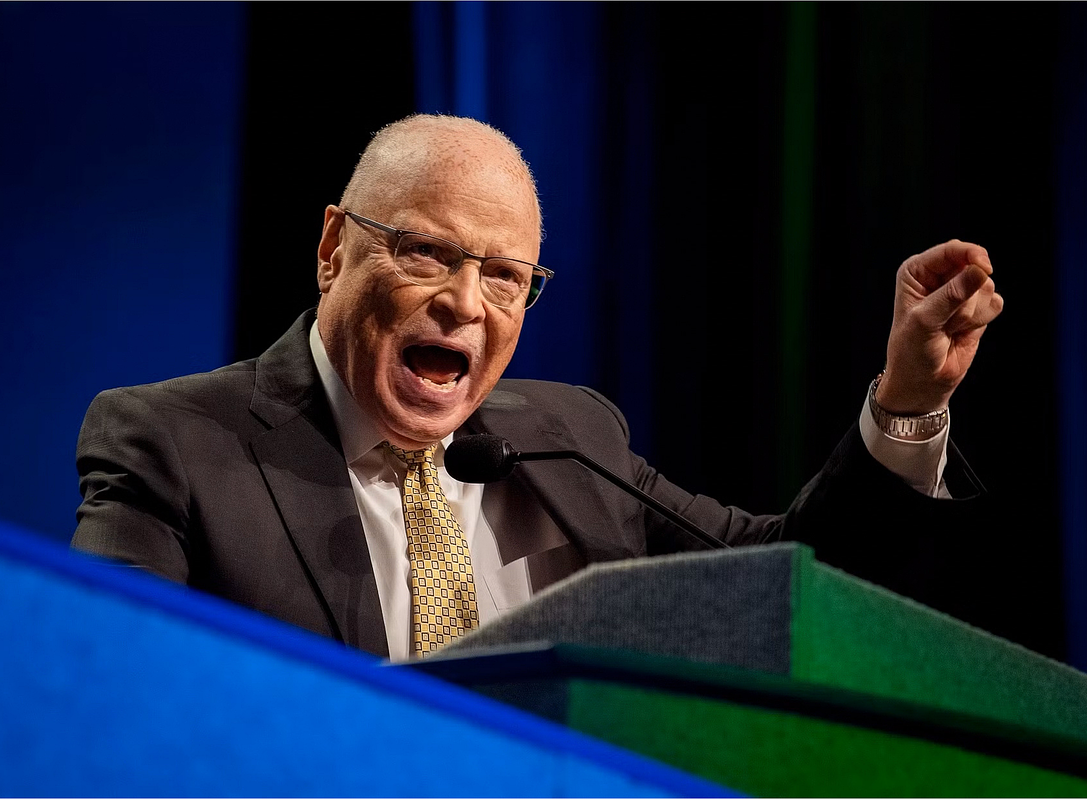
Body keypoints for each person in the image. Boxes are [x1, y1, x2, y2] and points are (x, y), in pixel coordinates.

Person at [72, 114, 1003, 660]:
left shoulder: (568, 438)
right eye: (427, 252)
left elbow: (792, 582)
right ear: (332, 250)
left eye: (507, 275)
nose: (466, 303)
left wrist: (909, 400)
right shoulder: (172, 443)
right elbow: (115, 691)